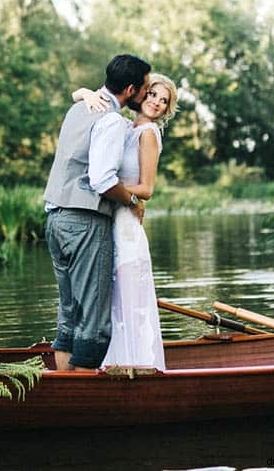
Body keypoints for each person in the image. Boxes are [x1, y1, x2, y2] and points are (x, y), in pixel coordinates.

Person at [43, 54, 151, 371]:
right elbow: (103, 180)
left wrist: (82, 91)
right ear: (130, 89)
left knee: (69, 315)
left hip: (55, 219)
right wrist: (132, 201)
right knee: (93, 320)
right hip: (85, 221)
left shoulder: (80, 107)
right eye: (145, 88)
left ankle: (65, 393)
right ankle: (82, 403)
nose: (146, 94)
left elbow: (82, 96)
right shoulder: (112, 122)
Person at [72, 73, 179, 370]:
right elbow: (77, 96)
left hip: (126, 225)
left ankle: (138, 365)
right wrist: (84, 92)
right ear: (140, 93)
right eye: (153, 94)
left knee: (129, 301)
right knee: (110, 301)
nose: (156, 102)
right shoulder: (121, 124)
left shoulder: (148, 134)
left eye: (164, 100)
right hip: (108, 221)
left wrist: (107, 190)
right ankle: (110, 363)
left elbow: (147, 189)